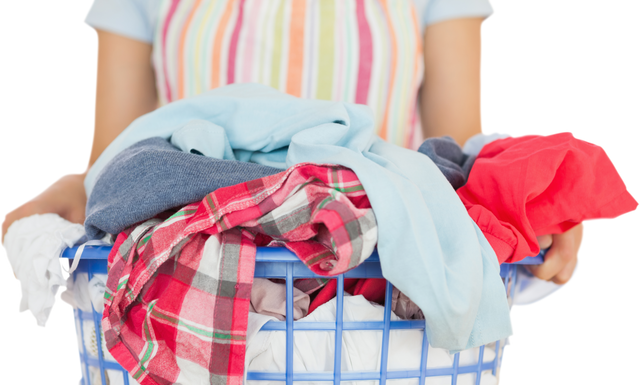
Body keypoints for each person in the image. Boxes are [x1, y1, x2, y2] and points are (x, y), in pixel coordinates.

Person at [0, 0, 585, 284]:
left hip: (380, 293)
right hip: (192, 271)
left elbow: (455, 157)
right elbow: (115, 169)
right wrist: (56, 201)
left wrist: (527, 196)